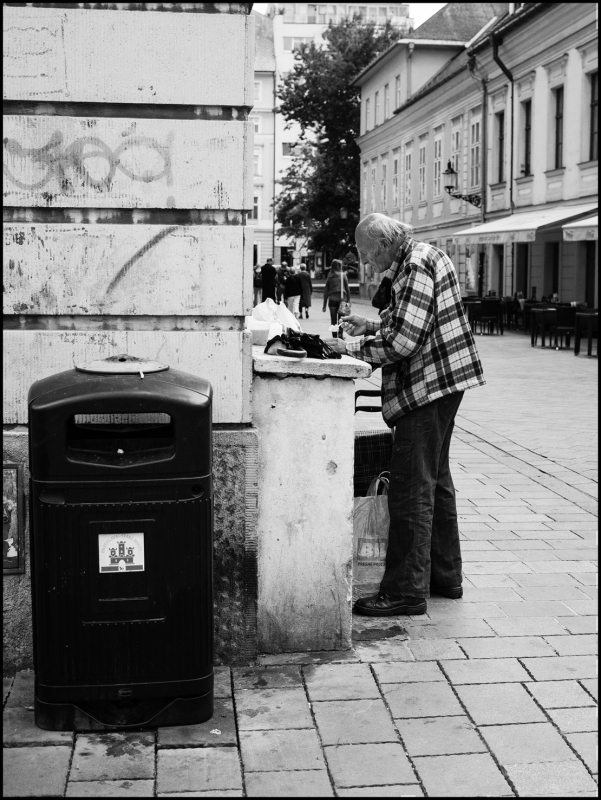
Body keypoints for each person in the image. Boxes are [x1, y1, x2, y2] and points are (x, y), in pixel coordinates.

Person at [327, 213, 485, 617]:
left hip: (427, 386)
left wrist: (349, 351)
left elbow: (403, 341)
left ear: (383, 244)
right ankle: (444, 578)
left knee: (411, 488)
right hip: (444, 382)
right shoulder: (422, 256)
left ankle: (404, 591)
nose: (364, 262)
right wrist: (370, 322)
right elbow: (414, 318)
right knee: (435, 481)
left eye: (365, 253)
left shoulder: (413, 265)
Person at [322, 259, 351, 337]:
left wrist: (324, 305)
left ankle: (334, 336)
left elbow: (326, 290)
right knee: (341, 319)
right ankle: (340, 334)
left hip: (332, 300)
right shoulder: (343, 275)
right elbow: (347, 289)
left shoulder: (330, 275)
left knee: (333, 320)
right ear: (339, 266)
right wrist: (349, 300)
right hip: (342, 300)